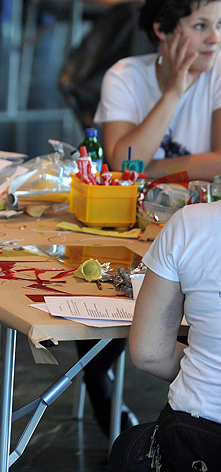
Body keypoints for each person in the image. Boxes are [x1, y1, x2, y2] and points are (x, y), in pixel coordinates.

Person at [108, 200, 221, 471]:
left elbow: (150, 353)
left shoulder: (192, 223)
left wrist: (206, 366)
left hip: (199, 437)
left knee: (127, 448)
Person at [94, 0, 221, 181]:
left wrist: (145, 170)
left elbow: (220, 165)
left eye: (219, 25)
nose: (214, 38)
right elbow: (122, 161)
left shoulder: (218, 71)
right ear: (161, 29)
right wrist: (173, 94)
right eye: (200, 26)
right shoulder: (123, 77)